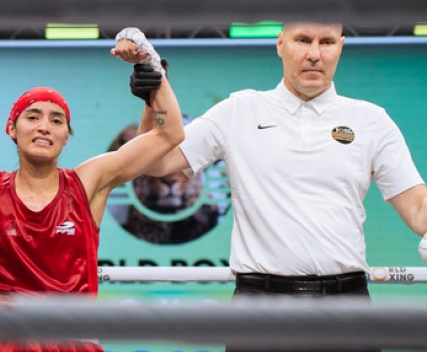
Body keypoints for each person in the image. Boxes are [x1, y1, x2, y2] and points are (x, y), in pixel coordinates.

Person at [112, 22, 427, 351]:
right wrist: (153, 97)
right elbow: (154, 163)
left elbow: (418, 206)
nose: (315, 54)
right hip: (259, 308)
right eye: (303, 40)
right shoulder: (239, 110)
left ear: (341, 47)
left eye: (327, 42)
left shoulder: (371, 120)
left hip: (346, 306)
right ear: (280, 43)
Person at [0, 74, 183, 350]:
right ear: (11, 129)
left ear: (66, 135)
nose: (44, 127)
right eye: (33, 116)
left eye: (56, 120)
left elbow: (169, 135)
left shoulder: (89, 182)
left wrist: (155, 74)